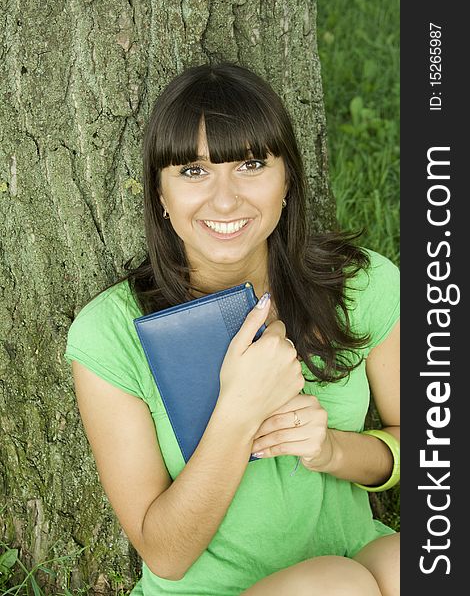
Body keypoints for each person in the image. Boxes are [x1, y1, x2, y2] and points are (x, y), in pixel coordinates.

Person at [64, 63, 400, 595]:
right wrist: (239, 409)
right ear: (159, 194)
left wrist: (333, 450)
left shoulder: (363, 284)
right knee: (336, 586)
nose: (225, 200)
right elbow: (165, 554)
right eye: (193, 172)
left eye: (250, 164)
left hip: (351, 560)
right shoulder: (111, 333)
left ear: (287, 178)